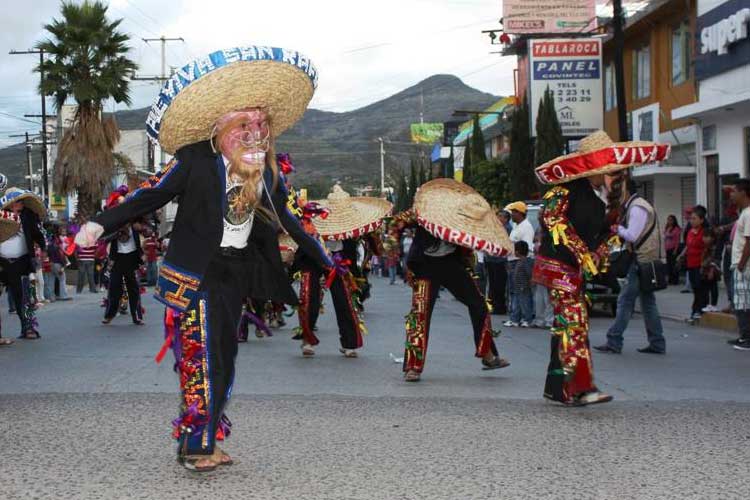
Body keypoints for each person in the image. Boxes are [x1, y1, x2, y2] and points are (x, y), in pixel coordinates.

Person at [76, 45, 330, 472]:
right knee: (202, 356)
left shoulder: (268, 172)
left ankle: (208, 436)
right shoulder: (195, 159)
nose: (255, 133)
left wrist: (322, 255)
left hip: (237, 272)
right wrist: (100, 224)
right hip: (196, 273)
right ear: (220, 127)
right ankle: (196, 445)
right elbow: (150, 194)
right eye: (244, 124)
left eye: (261, 124)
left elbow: (287, 215)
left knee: (226, 357)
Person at [534, 130, 670, 406]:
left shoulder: (598, 201)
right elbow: (552, 222)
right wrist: (584, 253)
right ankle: (581, 388)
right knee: (575, 322)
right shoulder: (560, 192)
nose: (608, 174)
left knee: (565, 326)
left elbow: (608, 234)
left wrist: (599, 251)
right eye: (603, 168)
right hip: (557, 267)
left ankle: (556, 387)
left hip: (575, 271)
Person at [401, 179, 511, 382]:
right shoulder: (422, 211)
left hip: (452, 265)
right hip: (425, 266)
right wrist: (393, 247)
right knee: (420, 314)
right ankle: (413, 366)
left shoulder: (464, 216)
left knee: (479, 304)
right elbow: (396, 223)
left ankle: (487, 354)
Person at [297, 185, 391, 357]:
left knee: (345, 300)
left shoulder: (354, 222)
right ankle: (307, 339)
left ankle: (349, 343)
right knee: (309, 297)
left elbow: (372, 239)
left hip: (340, 262)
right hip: (314, 259)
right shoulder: (315, 218)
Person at [595, 178, 666, 355]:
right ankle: (657, 342)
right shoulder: (637, 206)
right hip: (644, 259)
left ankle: (614, 340)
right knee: (647, 303)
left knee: (625, 300)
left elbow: (632, 235)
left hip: (640, 260)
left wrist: (617, 229)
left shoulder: (637, 208)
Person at [0, 188, 47, 340]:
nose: (17, 204)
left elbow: (37, 234)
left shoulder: (28, 215)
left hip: (21, 261)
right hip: (1, 262)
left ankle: (28, 328)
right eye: (15, 201)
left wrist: (43, 248)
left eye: (19, 201)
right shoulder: (1, 215)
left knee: (24, 298)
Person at [503, 201, 535, 328]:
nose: (511, 215)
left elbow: (525, 248)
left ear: (519, 213)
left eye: (513, 213)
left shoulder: (526, 227)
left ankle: (523, 317)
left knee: (521, 292)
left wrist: (520, 260)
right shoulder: (518, 226)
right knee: (514, 292)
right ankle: (515, 317)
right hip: (513, 261)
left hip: (519, 262)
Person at [728, 179, 750, 351]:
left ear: (743, 192)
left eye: (734, 191)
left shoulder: (749, 213)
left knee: (743, 302)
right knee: (741, 301)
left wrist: (742, 263)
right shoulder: (743, 212)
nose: (731, 194)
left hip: (744, 266)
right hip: (740, 264)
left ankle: (746, 337)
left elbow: (749, 241)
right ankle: (744, 335)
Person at [679, 208, 707, 321]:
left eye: (694, 218)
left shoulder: (704, 232)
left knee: (700, 288)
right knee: (695, 288)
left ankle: (698, 310)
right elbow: (688, 245)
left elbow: (707, 248)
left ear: (701, 220)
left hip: (700, 264)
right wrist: (681, 255)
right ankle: (696, 310)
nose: (692, 221)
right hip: (690, 263)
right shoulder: (690, 232)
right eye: (691, 218)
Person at [485, 210, 510, 315]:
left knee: (499, 285)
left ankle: (500, 307)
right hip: (491, 259)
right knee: (492, 284)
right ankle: (493, 305)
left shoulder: (507, 229)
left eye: (500, 216)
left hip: (500, 260)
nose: (498, 218)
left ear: (505, 219)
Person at [511, 240, 533, 327]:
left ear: (517, 252)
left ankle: (527, 319)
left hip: (523, 287)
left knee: (525, 304)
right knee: (517, 304)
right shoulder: (520, 261)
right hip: (518, 287)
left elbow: (529, 273)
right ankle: (515, 319)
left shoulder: (525, 262)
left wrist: (529, 283)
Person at [700, 229, 721, 314]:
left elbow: (713, 260)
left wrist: (711, 271)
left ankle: (713, 304)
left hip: (711, 270)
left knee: (713, 287)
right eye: (704, 236)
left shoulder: (713, 247)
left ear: (712, 238)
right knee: (706, 287)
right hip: (705, 270)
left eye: (707, 237)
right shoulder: (706, 247)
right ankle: (708, 304)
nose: (704, 238)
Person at [664, 214, 681, 285]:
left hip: (673, 248)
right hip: (667, 248)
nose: (669, 221)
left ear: (674, 221)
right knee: (669, 265)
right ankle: (670, 279)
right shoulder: (667, 228)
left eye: (671, 220)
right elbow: (665, 237)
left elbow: (677, 240)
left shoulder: (676, 229)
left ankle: (675, 280)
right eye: (668, 220)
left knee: (674, 264)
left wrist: (675, 250)